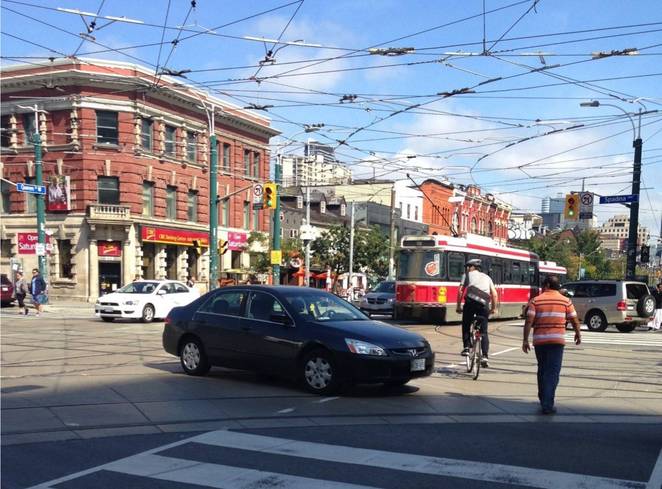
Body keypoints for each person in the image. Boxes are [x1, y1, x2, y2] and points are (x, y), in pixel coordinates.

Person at [522, 274, 581, 415]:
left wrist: (525, 339)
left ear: (547, 285)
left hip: (540, 341)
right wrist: (578, 333)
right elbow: (574, 319)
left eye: (543, 285)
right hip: (557, 342)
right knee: (553, 373)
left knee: (542, 370)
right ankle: (547, 403)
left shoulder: (535, 301)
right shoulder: (566, 301)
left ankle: (544, 399)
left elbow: (529, 321)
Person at [456, 258, 498, 367]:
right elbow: (494, 294)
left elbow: (460, 291)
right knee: (483, 331)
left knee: (466, 324)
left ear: (472, 267)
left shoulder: (467, 275)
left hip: (470, 303)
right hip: (484, 305)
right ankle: (484, 356)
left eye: (468, 266)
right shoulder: (487, 277)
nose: (467, 268)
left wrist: (458, 306)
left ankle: (466, 347)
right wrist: (493, 308)